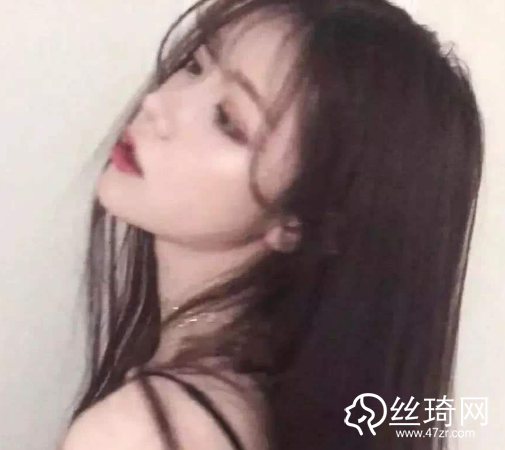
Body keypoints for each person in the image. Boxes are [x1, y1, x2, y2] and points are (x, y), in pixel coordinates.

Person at [59, 0, 484, 449]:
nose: (156, 104)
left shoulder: (140, 432)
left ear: (297, 224)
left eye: (227, 120)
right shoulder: (269, 407)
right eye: (194, 66)